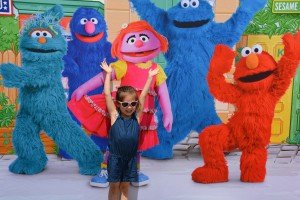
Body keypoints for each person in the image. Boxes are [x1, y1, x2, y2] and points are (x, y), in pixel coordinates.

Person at [68, 21, 173, 187]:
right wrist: (83, 88)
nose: (138, 43)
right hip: (122, 112)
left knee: (136, 146)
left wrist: (168, 113)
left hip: (144, 115)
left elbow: (163, 92)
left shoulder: (156, 69)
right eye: (132, 40)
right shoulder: (123, 65)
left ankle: (134, 172)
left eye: (143, 38)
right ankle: (106, 171)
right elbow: (103, 77)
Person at [100, 60, 158, 200]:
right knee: (114, 187)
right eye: (125, 104)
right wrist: (108, 74)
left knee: (126, 186)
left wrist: (150, 77)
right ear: (118, 105)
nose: (129, 107)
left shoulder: (136, 117)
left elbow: (143, 96)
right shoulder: (114, 116)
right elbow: (107, 95)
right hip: (115, 159)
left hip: (130, 159)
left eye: (133, 103)